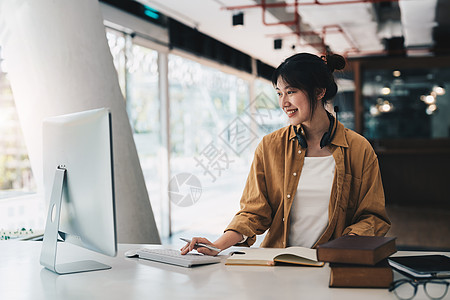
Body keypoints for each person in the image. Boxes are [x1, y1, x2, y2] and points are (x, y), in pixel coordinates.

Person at [181, 52, 391, 256]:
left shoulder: (358, 149)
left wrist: (346, 245)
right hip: (279, 266)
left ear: (319, 92)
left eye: (291, 92)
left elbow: (372, 217)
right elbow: (253, 212)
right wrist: (217, 245)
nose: (283, 103)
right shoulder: (270, 146)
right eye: (279, 93)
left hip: (332, 265)